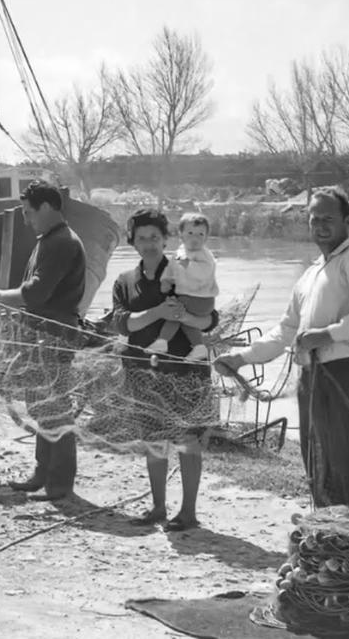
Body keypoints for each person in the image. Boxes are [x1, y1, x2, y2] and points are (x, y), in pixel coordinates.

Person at [214, 189, 349, 508]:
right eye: (314, 218)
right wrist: (241, 358)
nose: (320, 225)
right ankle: (326, 541)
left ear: (347, 221)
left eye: (328, 218)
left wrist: (325, 335)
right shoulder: (310, 275)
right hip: (312, 378)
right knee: (318, 464)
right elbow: (286, 330)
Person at [0, 181, 86, 501]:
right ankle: (42, 472)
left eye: (29, 212)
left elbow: (36, 292)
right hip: (39, 334)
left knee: (55, 408)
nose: (26, 219)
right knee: (39, 405)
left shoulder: (62, 242)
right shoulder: (47, 240)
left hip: (55, 335)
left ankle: (60, 484)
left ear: (47, 208)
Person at [110, 209, 219, 529]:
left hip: (186, 371)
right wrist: (158, 310)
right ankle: (157, 507)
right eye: (141, 238)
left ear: (165, 239)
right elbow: (122, 323)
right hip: (143, 370)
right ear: (132, 241)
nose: (149, 244)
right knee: (154, 441)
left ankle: (188, 513)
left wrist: (184, 317)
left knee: (188, 441)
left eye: (154, 237)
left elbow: (210, 318)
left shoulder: (182, 268)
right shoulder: (124, 281)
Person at [144, 213, 218, 363]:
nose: (195, 238)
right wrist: (166, 280)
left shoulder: (203, 255)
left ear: (206, 238)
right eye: (190, 233)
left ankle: (163, 340)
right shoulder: (180, 253)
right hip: (188, 297)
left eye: (200, 234)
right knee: (183, 318)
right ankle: (198, 347)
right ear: (181, 235)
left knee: (175, 311)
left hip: (201, 299)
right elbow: (172, 268)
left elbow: (204, 272)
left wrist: (189, 265)